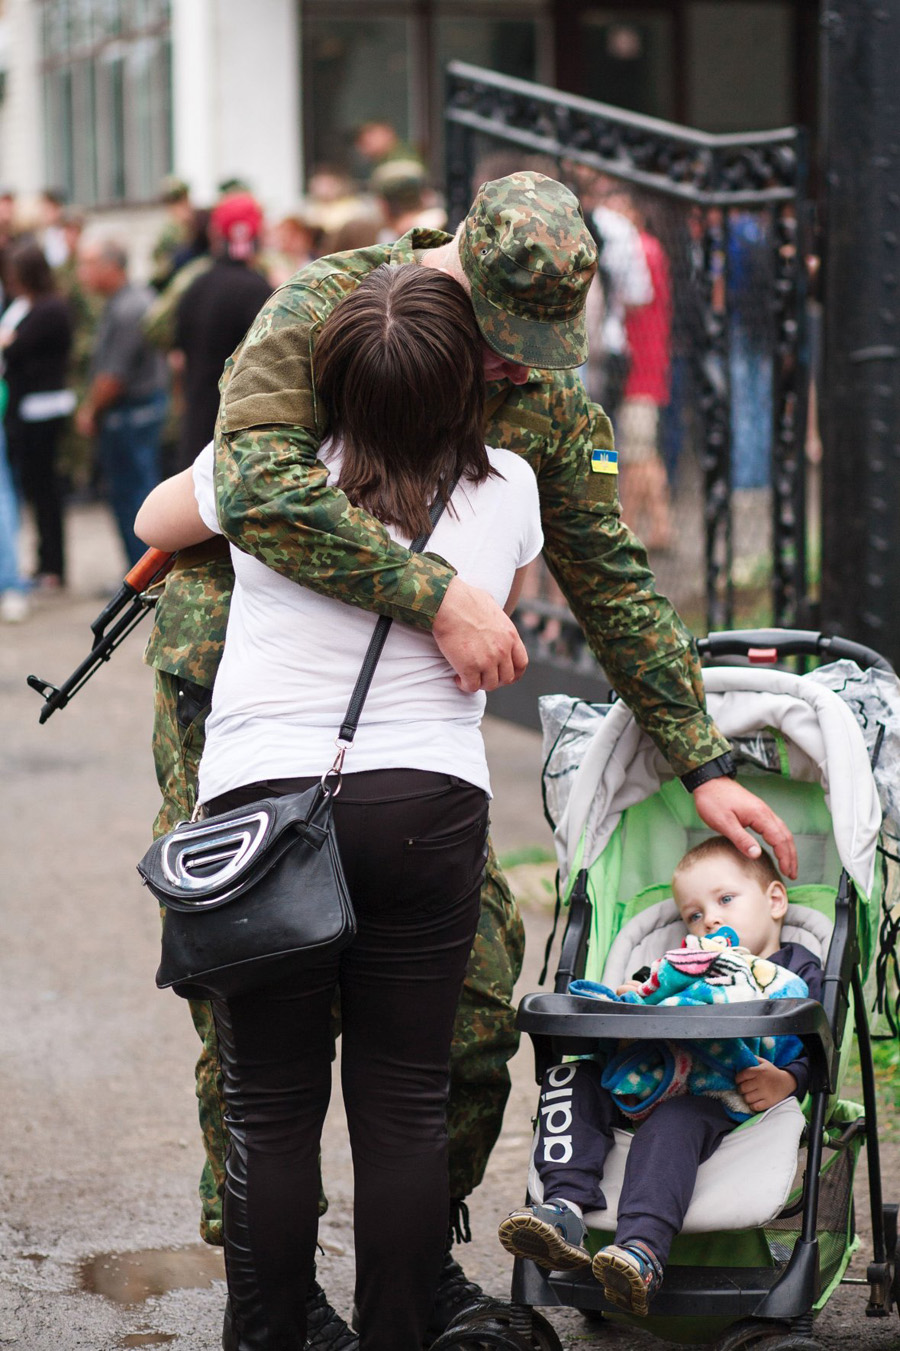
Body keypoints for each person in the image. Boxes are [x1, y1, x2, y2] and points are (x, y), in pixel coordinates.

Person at [143, 171, 797, 1347]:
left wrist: (700, 757)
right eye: (499, 344)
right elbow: (250, 482)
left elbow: (610, 580)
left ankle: (408, 1274)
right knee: (253, 1044)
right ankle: (276, 1290)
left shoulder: (539, 394)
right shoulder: (331, 310)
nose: (517, 370)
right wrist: (438, 593)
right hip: (231, 700)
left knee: (463, 1021)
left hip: (395, 758)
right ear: (454, 277)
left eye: (540, 348)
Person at [137, 263, 544, 1351]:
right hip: (428, 805)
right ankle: (400, 1328)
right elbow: (518, 599)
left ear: (328, 383)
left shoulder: (265, 478)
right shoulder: (508, 486)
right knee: (403, 1102)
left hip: (262, 806)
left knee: (270, 1106)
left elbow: (151, 515)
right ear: (465, 384)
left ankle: (269, 1331)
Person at [498, 836, 822, 1317]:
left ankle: (641, 1251)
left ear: (775, 900)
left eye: (725, 900)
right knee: (572, 1077)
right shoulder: (677, 967)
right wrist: (631, 1003)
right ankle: (562, 1209)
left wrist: (789, 1080)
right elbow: (642, 1004)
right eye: (693, 914)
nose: (709, 919)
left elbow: (818, 1045)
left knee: (673, 1123)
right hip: (645, 1078)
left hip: (721, 1099)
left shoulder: (793, 969)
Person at [75, 235, 168, 567]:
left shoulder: (129, 307)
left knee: (135, 502)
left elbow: (112, 378)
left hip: (129, 415)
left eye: (87, 265)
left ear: (111, 267)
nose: (80, 273)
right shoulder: (125, 300)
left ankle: (144, 575)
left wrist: (89, 411)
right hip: (137, 413)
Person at [171, 193, 272, 471]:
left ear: (217, 235)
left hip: (196, 433)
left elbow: (177, 357)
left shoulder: (194, 286)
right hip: (237, 443)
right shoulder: (261, 292)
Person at [2, 239, 74, 589]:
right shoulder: (23, 304)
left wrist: (9, 343)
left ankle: (54, 566)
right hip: (23, 407)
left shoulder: (51, 309)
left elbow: (19, 348)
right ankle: (44, 561)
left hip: (43, 409)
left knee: (46, 490)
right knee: (33, 488)